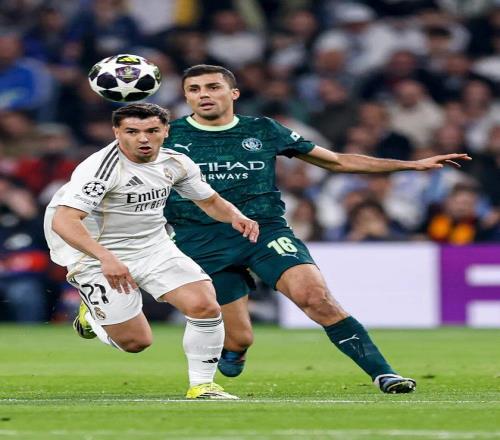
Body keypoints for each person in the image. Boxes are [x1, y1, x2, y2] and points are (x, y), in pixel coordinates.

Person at [163, 64, 472, 394]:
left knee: (316, 297)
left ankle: (384, 374)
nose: (204, 95)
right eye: (194, 89)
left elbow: (336, 161)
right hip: (201, 238)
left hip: (265, 232)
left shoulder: (263, 129)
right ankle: (236, 348)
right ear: (186, 97)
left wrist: (411, 165)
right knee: (240, 337)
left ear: (233, 93)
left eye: (213, 87)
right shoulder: (169, 135)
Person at [44, 103, 259, 400]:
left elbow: (209, 200)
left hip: (153, 245)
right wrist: (105, 257)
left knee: (204, 305)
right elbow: (64, 220)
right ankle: (92, 317)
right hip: (96, 252)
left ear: (165, 131)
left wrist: (236, 216)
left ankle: (203, 386)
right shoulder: (100, 169)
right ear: (117, 132)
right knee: (136, 342)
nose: (143, 138)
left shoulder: (176, 162)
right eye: (132, 132)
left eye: (152, 130)